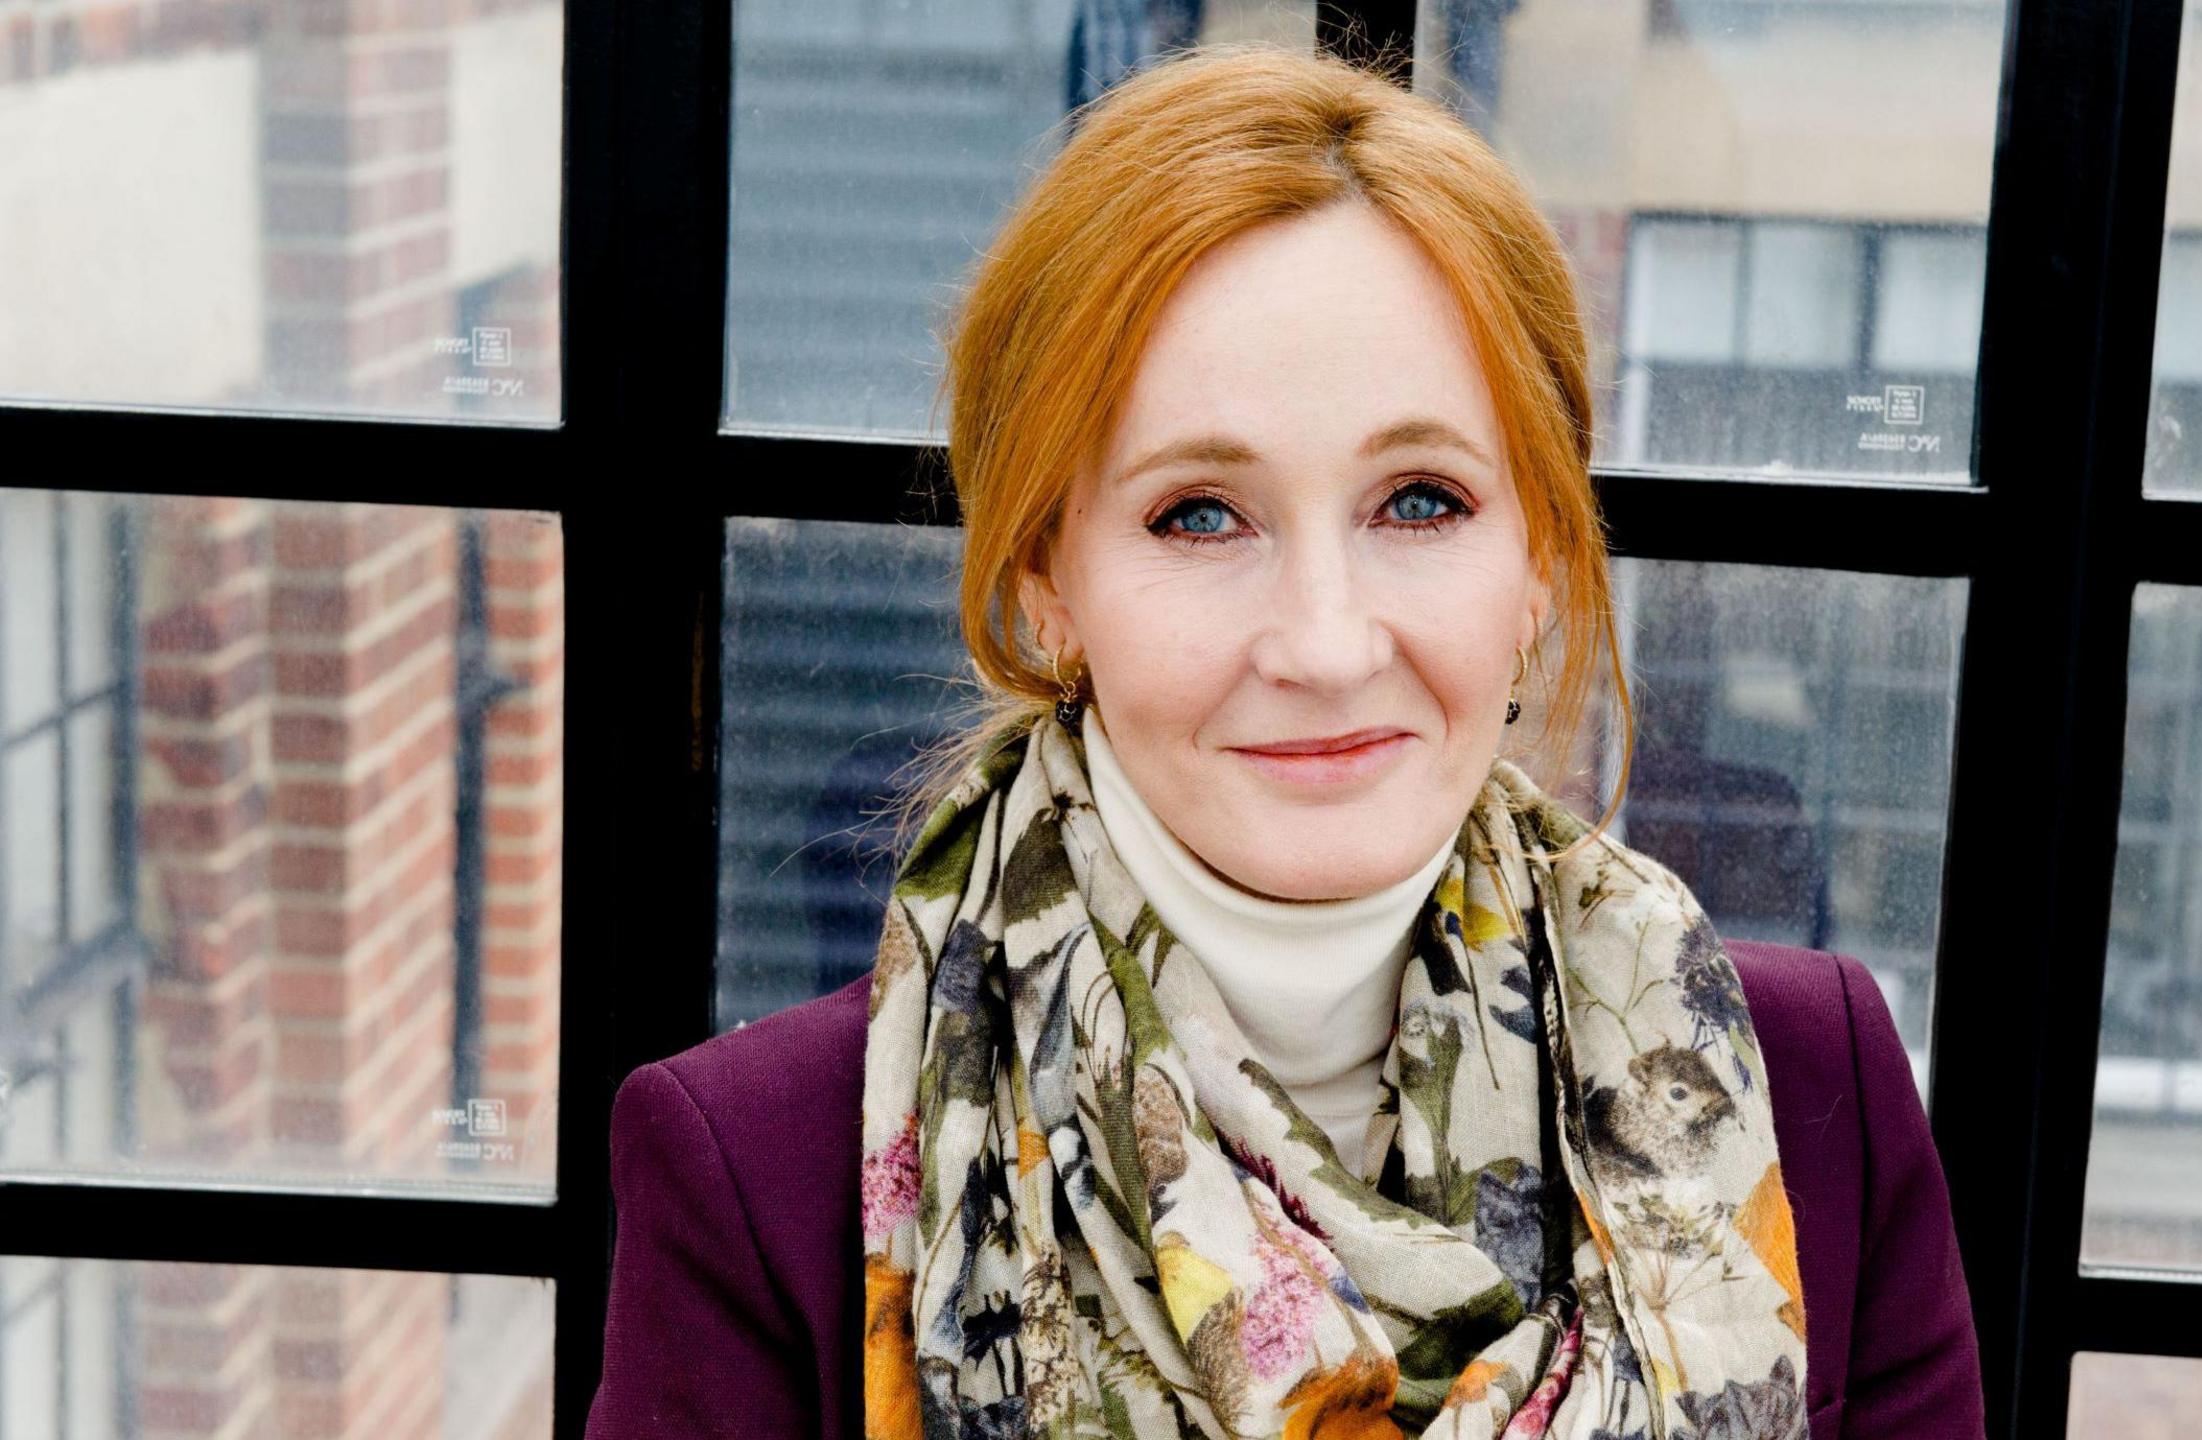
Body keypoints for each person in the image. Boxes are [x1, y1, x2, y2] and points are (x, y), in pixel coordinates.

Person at [586, 41, 1982, 1440]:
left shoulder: (1818, 1100)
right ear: (1044, 582)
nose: (1325, 644)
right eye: (1199, 513)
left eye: (1420, 502)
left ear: (1543, 557)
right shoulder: (756, 1180)